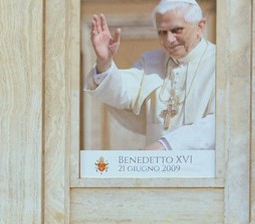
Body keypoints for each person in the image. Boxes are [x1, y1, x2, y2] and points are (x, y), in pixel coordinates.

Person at [84, 0, 215, 150]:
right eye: (162, 32)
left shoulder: (220, 63)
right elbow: (122, 92)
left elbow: (220, 122)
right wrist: (104, 62)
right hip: (156, 169)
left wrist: (168, 145)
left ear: (200, 26)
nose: (169, 40)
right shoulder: (151, 61)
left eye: (177, 30)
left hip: (203, 169)